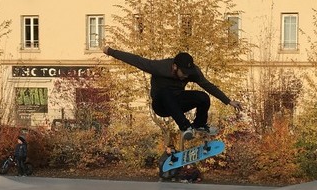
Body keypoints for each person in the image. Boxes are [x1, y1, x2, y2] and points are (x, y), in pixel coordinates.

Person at [102, 47, 243, 140]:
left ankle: (199, 125)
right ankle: (185, 127)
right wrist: (111, 51)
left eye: (188, 74)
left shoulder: (193, 72)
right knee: (165, 92)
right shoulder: (159, 67)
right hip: (161, 105)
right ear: (175, 67)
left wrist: (228, 101)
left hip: (177, 102)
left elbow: (208, 86)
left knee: (203, 97)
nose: (185, 77)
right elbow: (136, 60)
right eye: (183, 74)